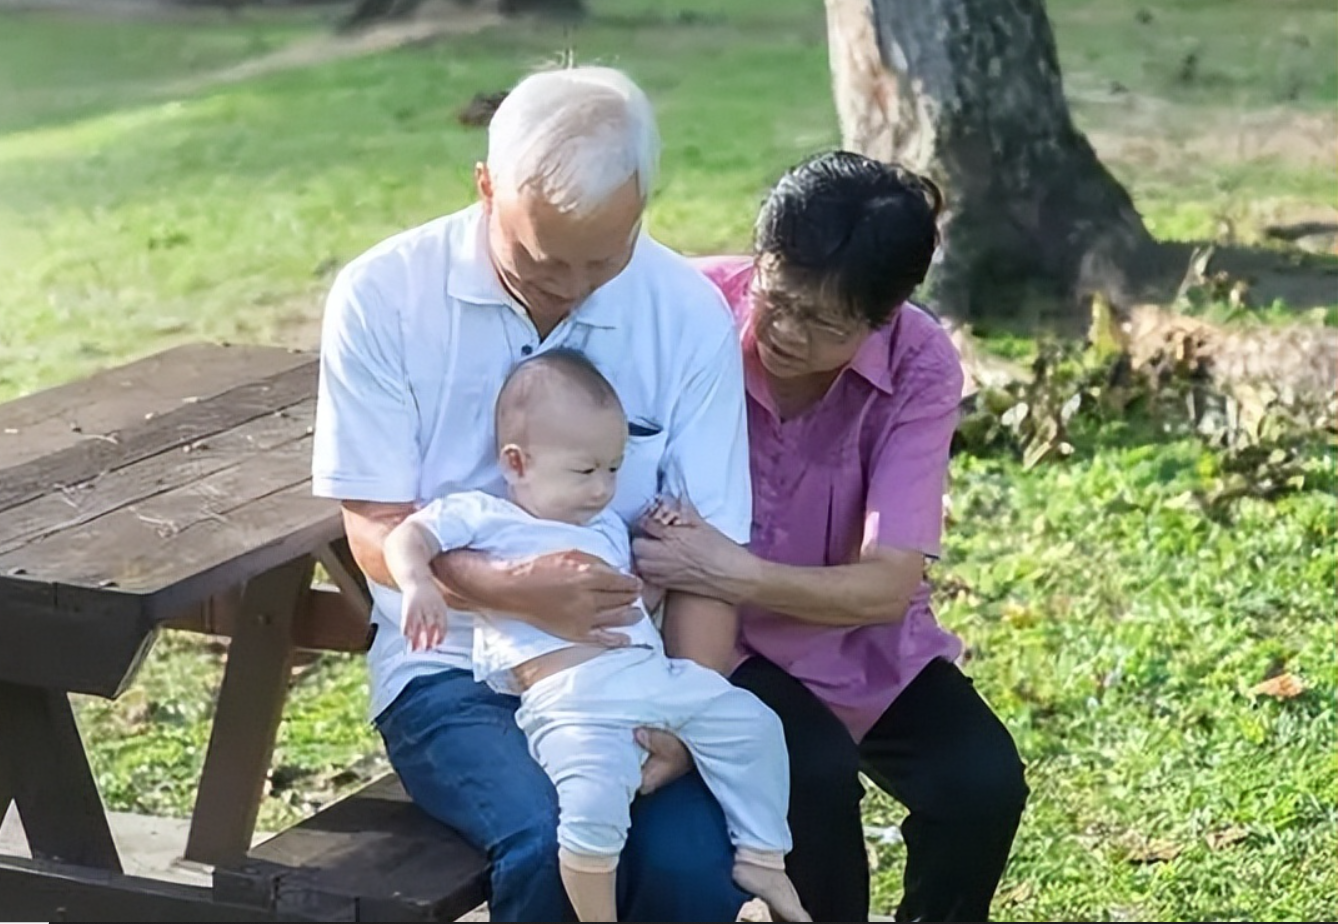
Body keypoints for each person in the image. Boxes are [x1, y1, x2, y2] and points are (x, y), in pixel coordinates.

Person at [311, 65, 756, 921]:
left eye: (606, 256)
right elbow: (371, 526)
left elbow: (706, 560)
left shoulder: (687, 314)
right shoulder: (382, 296)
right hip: (450, 674)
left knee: (698, 870)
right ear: (485, 187)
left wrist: (680, 717)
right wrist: (511, 590)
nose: (574, 286)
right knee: (556, 841)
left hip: (633, 669)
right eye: (545, 260)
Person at [632, 150, 1030, 923]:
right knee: (810, 772)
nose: (782, 330)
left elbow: (886, 586)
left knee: (981, 784)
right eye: (775, 298)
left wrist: (730, 570)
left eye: (821, 321)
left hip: (849, 634)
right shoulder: (687, 309)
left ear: (883, 315)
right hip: (714, 639)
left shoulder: (918, 361)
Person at [382, 351, 809, 923]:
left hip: (651, 680)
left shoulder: (605, 527)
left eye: (614, 468)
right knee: (591, 807)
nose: (603, 488)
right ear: (517, 462)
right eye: (586, 472)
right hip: (572, 703)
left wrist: (662, 556)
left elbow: (634, 601)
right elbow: (406, 536)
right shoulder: (486, 518)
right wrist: (417, 584)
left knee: (752, 725)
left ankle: (762, 855)